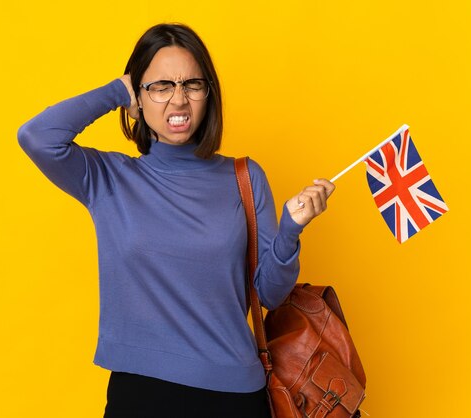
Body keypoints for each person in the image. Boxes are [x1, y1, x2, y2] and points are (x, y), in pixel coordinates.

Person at [18, 23, 335, 418]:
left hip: (233, 396)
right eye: (161, 86)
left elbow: (270, 295)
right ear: (139, 94)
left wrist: (291, 229)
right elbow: (37, 136)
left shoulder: (245, 177)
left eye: (192, 85)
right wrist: (117, 91)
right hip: (140, 395)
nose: (179, 100)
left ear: (208, 93)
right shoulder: (108, 179)